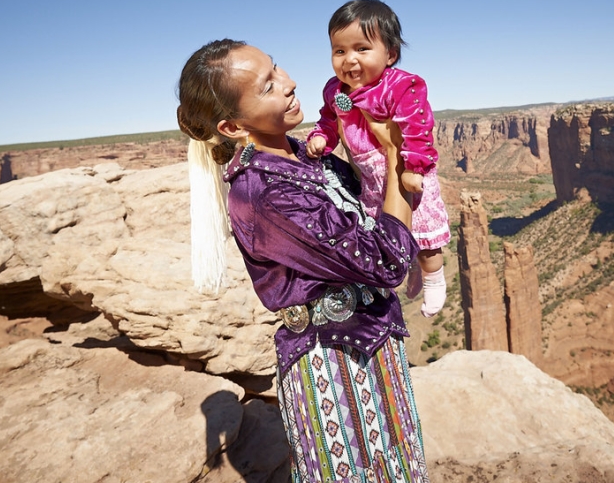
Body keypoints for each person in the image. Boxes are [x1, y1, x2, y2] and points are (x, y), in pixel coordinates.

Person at [176, 38, 431, 482]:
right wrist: (395, 155)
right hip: (334, 368)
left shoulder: (306, 156)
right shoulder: (263, 193)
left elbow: (372, 213)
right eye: (268, 85)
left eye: (278, 69)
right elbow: (386, 262)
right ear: (233, 127)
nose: (290, 83)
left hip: (374, 349)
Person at [306, 0, 450, 319]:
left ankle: (433, 278)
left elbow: (417, 127)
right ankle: (409, 267)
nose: (349, 60)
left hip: (402, 171)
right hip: (370, 179)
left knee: (425, 237)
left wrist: (414, 168)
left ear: (391, 54)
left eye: (362, 49)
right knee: (386, 232)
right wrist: (321, 138)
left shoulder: (400, 86)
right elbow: (329, 119)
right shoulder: (335, 90)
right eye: (339, 51)